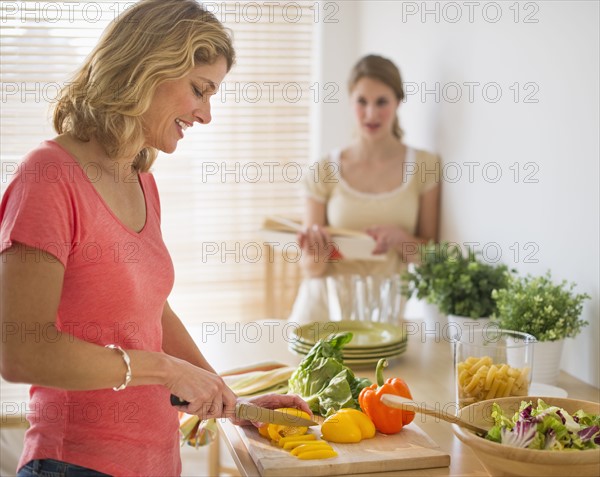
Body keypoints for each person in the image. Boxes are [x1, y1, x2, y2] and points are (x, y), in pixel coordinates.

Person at [0, 1, 311, 476]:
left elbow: (149, 313)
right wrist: (165, 370)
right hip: (73, 465)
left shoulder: (140, 179)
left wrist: (231, 399)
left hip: (155, 461)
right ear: (147, 69)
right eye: (199, 90)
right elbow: (22, 351)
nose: (206, 114)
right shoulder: (48, 176)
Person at [289, 54, 441, 324]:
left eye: (381, 102)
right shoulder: (323, 169)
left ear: (398, 101)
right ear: (350, 101)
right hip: (323, 315)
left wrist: (400, 238)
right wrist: (316, 252)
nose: (371, 113)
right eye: (362, 102)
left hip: (385, 315)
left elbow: (432, 259)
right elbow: (311, 269)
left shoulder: (424, 165)